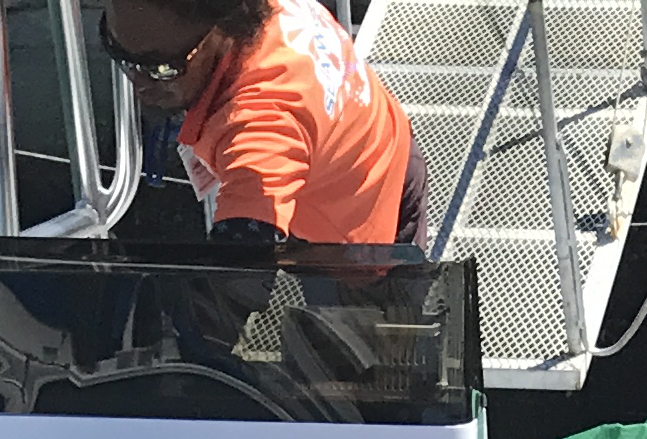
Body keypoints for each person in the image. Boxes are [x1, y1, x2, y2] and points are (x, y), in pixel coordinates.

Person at [100, 0, 423, 251]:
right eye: (114, 47)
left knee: (373, 315)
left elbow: (234, 276)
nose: (136, 83)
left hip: (368, 216)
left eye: (161, 68)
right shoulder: (261, 10)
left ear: (224, 29)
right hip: (369, 129)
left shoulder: (259, 125)